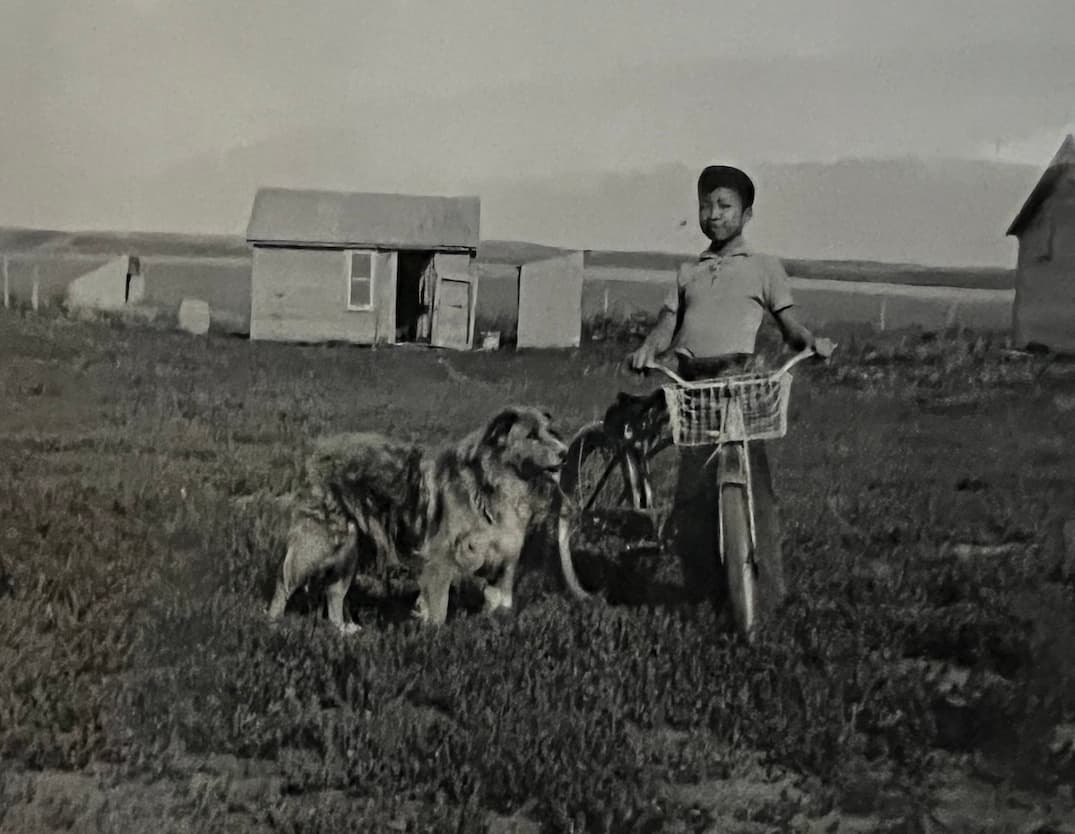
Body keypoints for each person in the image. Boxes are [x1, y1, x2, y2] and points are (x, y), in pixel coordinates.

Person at [625, 164, 833, 621]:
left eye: (725, 206)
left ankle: (767, 595)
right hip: (692, 383)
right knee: (693, 493)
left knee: (754, 485)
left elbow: (790, 325)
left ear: (747, 212)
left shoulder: (764, 268)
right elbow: (665, 327)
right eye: (706, 205)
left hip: (740, 382)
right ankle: (703, 592)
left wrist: (811, 342)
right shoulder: (688, 272)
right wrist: (648, 348)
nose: (714, 215)